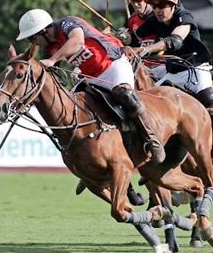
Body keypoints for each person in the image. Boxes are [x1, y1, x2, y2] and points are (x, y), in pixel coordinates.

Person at [16, 9, 166, 163]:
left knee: (125, 95)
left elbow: (77, 41)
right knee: (72, 108)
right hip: (91, 77)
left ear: (42, 31)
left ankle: (152, 140)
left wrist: (53, 60)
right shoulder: (50, 48)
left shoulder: (67, 23)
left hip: (113, 64)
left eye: (32, 39)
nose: (33, 44)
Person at [134, 0, 213, 165]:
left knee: (210, 100)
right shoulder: (153, 20)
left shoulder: (184, 16)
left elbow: (174, 41)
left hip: (196, 68)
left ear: (173, 6)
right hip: (173, 71)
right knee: (153, 102)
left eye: (163, 5)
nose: (158, 10)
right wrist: (120, 36)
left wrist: (147, 49)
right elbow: (133, 35)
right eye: (155, 5)